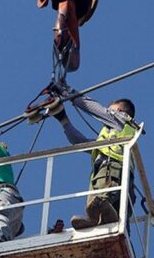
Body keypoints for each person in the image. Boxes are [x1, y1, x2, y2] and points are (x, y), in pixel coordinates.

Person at [50, 87, 138, 229]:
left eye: (111, 109)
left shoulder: (122, 121)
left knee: (100, 200)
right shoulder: (109, 137)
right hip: (117, 178)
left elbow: (94, 109)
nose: (108, 112)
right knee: (116, 214)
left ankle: (98, 217)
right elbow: (80, 142)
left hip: (112, 171)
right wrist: (63, 119)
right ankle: (97, 220)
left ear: (120, 111)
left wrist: (68, 93)